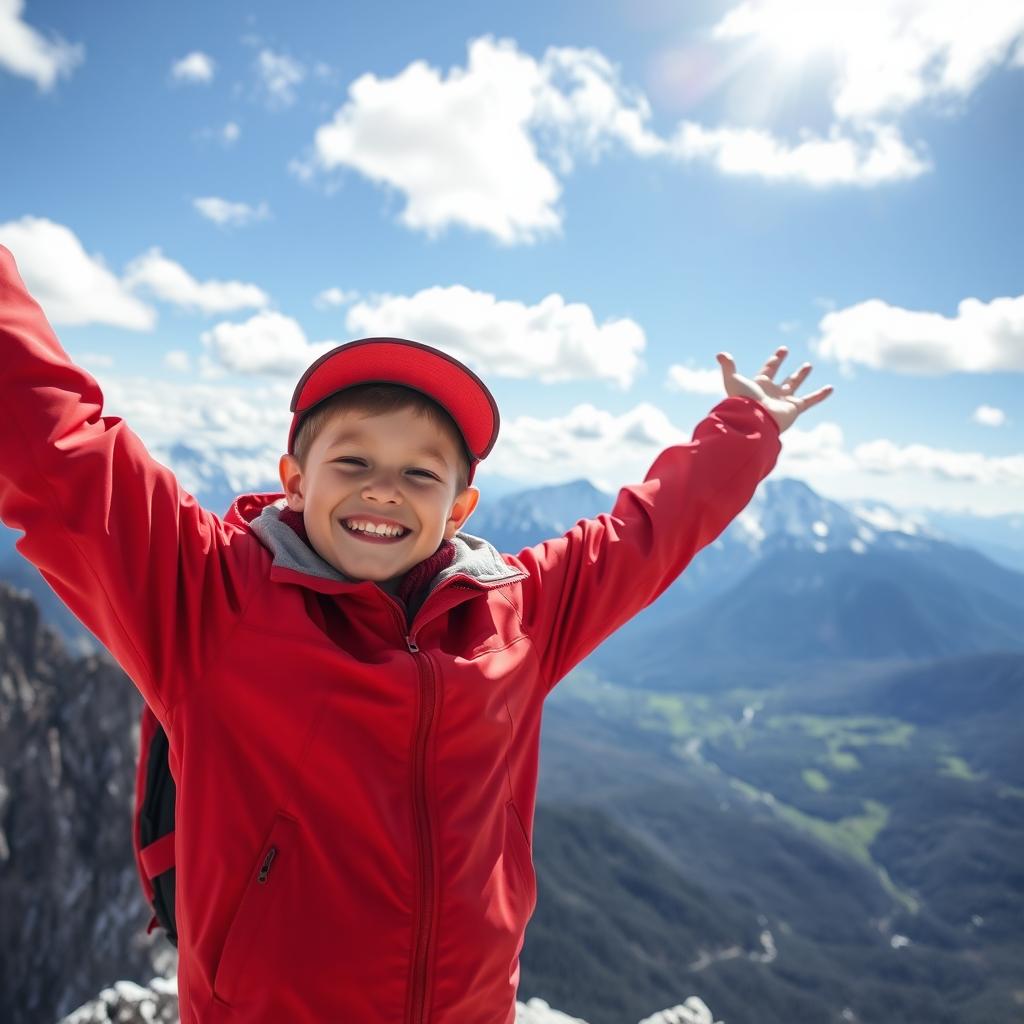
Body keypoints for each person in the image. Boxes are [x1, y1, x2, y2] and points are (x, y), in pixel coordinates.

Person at [0, 242, 832, 1024]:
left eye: (420, 472)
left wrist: (744, 430)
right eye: (353, 462)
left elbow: (644, 535)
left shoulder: (518, 614)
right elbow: (62, 451)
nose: (384, 491)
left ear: (460, 506)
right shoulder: (208, 599)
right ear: (294, 479)